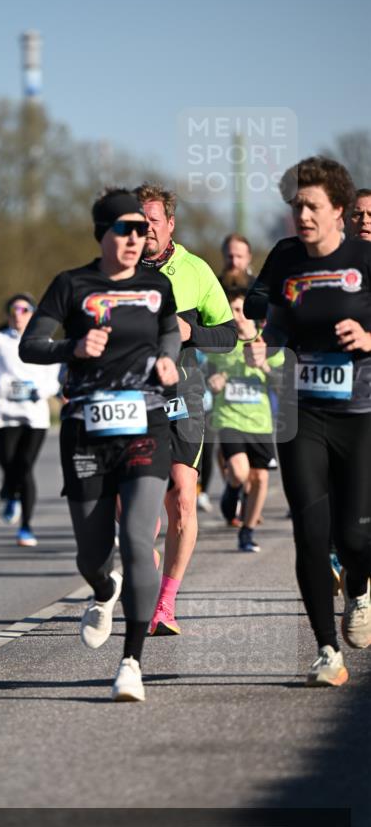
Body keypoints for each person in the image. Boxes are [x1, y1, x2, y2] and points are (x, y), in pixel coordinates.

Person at [20, 188, 181, 702]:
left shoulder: (156, 285)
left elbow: (170, 331)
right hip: (87, 429)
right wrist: (73, 346)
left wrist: (168, 358)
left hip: (145, 424)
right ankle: (102, 588)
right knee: (92, 555)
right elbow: (31, 345)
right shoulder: (71, 285)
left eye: (142, 230)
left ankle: (131, 660)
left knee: (137, 540)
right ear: (103, 233)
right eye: (125, 229)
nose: (136, 238)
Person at [260, 156, 371, 685]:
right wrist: (264, 341)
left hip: (360, 414)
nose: (301, 215)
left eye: (311, 206)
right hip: (302, 412)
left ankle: (360, 585)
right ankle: (327, 651)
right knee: (310, 529)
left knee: (353, 536)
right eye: (295, 205)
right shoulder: (284, 261)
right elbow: (270, 319)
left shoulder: (365, 259)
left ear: (340, 211)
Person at [134, 183, 237, 636]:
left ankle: (165, 604)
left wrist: (191, 332)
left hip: (183, 396)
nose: (146, 230)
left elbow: (230, 335)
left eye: (153, 222)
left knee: (181, 497)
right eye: (138, 223)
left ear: (170, 224)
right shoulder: (115, 270)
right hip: (131, 398)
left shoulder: (195, 270)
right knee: (130, 505)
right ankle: (139, 543)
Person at [0, 293, 61, 546]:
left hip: (33, 415)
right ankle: (9, 492)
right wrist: (0, 384)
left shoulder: (45, 341)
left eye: (24, 310)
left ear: (33, 314)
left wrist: (41, 391)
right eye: (14, 310)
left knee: (25, 467)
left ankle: (26, 526)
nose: (18, 314)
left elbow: (53, 378)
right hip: (3, 413)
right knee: (7, 463)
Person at [207, 275, 283, 553]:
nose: (236, 317)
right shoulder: (221, 345)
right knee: (239, 472)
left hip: (260, 422)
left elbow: (282, 382)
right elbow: (207, 374)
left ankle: (247, 532)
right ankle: (232, 490)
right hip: (229, 419)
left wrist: (265, 368)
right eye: (231, 311)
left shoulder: (268, 344)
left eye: (239, 310)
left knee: (260, 479)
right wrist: (212, 382)